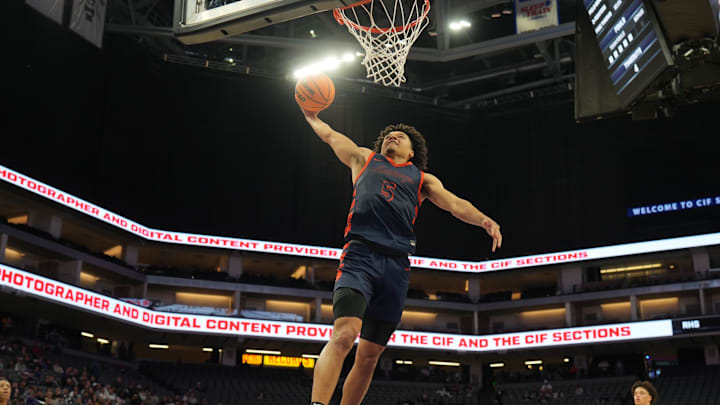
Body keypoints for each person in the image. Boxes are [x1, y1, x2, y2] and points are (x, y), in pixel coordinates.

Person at [301, 109, 502, 405]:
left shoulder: (422, 180)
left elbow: (456, 204)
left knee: (370, 355)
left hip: (396, 267)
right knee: (345, 335)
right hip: (360, 256)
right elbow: (331, 135)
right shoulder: (364, 159)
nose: (393, 137)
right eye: (388, 136)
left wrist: (484, 220)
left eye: (401, 136)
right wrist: (311, 116)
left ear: (411, 152)